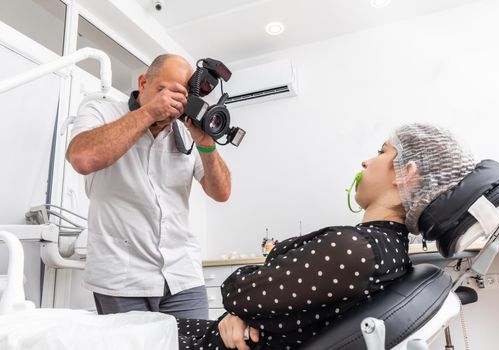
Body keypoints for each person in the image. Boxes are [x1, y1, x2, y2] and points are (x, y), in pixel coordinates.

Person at [173, 123, 475, 349]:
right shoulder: (388, 250)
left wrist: (241, 308)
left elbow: (236, 293)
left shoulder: (354, 250)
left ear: (405, 173)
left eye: (382, 152)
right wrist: (242, 314)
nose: (366, 162)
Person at [66, 54, 231, 319]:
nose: (173, 105)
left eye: (182, 97)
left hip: (183, 277)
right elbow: (82, 158)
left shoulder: (187, 133)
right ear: (143, 83)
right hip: (121, 279)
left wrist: (205, 142)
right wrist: (149, 112)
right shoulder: (102, 111)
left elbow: (221, 192)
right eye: (166, 91)